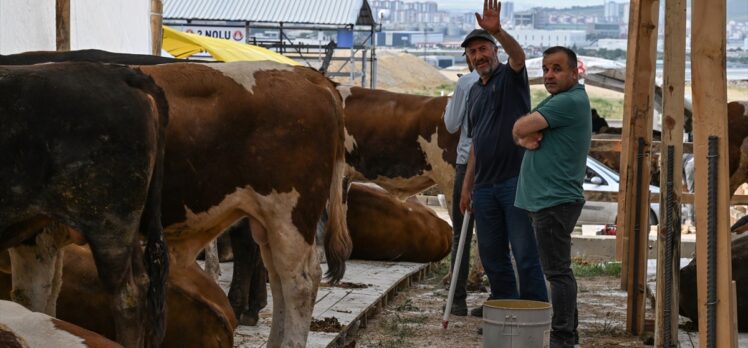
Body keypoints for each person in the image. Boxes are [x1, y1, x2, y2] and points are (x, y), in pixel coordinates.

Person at [459, 0, 549, 318]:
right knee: (493, 256)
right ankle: (504, 314)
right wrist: (467, 187)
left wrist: (497, 30)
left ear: (494, 51)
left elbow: (519, 56)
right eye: (473, 53)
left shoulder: (510, 78)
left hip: (515, 181)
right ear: (468, 60)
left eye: (484, 48)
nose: (479, 56)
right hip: (484, 187)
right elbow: (475, 145)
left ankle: (535, 315)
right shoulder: (474, 93)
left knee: (525, 253)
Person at [512, 46, 592, 348]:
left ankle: (563, 338)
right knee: (556, 271)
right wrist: (522, 135)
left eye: (557, 69)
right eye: (546, 68)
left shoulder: (569, 101)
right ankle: (566, 332)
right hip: (544, 200)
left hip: (554, 201)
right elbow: (521, 131)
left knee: (558, 273)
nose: (549, 75)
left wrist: (521, 134)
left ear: (574, 72)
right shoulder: (560, 99)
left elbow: (520, 126)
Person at [443, 53, 480, 317]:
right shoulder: (509, 80)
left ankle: (457, 300)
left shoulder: (466, 82)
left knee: (462, 233)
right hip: (499, 165)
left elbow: (451, 123)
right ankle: (501, 299)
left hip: (467, 161)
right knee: (496, 235)